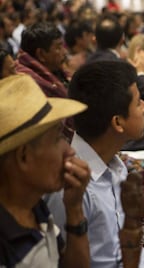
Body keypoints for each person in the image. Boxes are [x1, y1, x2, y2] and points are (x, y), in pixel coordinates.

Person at [46, 60, 144, 268]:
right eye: (138, 102)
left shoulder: (115, 165)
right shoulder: (72, 185)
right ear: (118, 123)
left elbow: (132, 253)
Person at [0, 74, 90, 267]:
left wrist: (74, 209)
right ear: (24, 156)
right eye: (57, 139)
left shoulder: (34, 206)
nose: (70, 150)